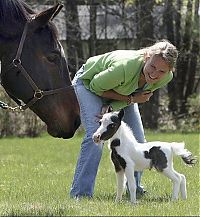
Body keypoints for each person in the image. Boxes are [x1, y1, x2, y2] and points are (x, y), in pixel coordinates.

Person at [70, 39, 178, 198]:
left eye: (162, 71)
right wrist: (130, 100)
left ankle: (134, 189)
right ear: (147, 57)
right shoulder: (124, 67)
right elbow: (94, 86)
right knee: (96, 136)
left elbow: (135, 95)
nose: (155, 74)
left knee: (139, 140)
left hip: (124, 92)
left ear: (169, 71)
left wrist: (114, 106)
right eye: (152, 67)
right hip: (88, 84)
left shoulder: (166, 77)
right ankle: (81, 194)